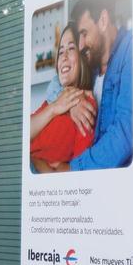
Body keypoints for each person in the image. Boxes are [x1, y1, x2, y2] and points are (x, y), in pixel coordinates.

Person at [51, 0, 133, 171]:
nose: (79, 46)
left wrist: (73, 170)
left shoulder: (130, 50)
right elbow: (55, 81)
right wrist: (70, 102)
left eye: (84, 34)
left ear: (103, 20)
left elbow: (125, 133)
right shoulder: (91, 60)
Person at [29, 23, 97, 172]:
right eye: (61, 52)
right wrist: (54, 108)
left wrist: (36, 163)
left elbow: (75, 172)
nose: (64, 56)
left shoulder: (85, 106)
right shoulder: (54, 99)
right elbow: (23, 134)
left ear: (83, 57)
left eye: (71, 48)